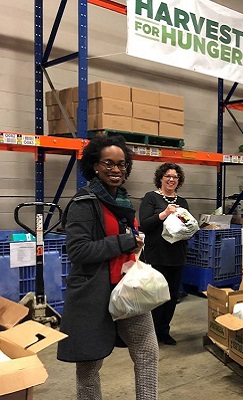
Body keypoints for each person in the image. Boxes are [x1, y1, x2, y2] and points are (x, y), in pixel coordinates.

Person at [57, 135, 157, 400]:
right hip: (94, 293)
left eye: (122, 164)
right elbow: (78, 251)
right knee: (90, 364)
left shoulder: (122, 201)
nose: (116, 170)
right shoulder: (83, 203)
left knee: (147, 353)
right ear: (95, 166)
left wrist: (134, 245)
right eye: (108, 164)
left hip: (127, 289)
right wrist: (124, 242)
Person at [139, 162, 189, 346]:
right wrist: (164, 213)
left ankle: (164, 331)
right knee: (154, 295)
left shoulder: (182, 202)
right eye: (168, 176)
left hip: (177, 254)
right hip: (156, 254)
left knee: (171, 295)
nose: (171, 180)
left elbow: (187, 225)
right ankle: (149, 332)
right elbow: (144, 224)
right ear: (160, 178)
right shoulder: (151, 198)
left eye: (175, 177)